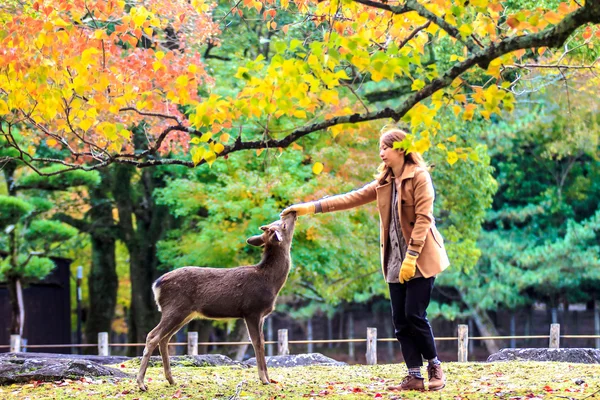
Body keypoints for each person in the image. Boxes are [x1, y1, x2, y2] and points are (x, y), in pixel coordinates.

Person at [281, 128, 450, 391]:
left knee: (414, 314)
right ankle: (414, 376)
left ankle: (435, 366)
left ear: (401, 149)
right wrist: (309, 207)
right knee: (400, 322)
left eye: (386, 147)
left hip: (421, 258)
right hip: (394, 260)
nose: (381, 152)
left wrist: (412, 256)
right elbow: (351, 198)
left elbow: (424, 218)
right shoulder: (384, 183)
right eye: (380, 147)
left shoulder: (419, 177)